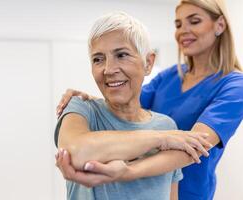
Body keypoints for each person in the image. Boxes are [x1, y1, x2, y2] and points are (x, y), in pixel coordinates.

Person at [55, 0, 243, 200]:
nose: (183, 30)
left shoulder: (234, 85)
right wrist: (85, 101)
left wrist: (128, 171)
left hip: (188, 190)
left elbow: (194, 145)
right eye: (178, 24)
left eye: (194, 21)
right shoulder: (171, 76)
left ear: (220, 25)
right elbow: (125, 100)